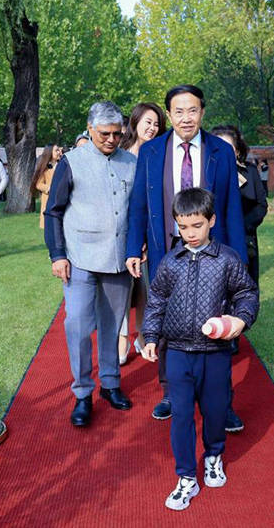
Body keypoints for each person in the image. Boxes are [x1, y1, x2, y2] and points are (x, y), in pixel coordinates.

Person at [125, 84, 247, 430]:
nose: (186, 118)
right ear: (169, 114)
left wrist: (237, 259)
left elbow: (231, 208)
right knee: (166, 320)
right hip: (166, 250)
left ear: (202, 112)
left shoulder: (221, 152)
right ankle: (171, 393)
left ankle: (221, 401)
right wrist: (133, 247)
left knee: (216, 323)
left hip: (213, 252)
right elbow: (139, 203)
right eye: (178, 111)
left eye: (192, 110)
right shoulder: (151, 151)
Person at [140, 187, 258, 511]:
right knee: (181, 415)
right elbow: (156, 301)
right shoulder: (170, 262)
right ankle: (186, 477)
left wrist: (240, 320)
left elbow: (246, 294)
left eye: (197, 225)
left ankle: (214, 456)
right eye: (183, 227)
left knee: (215, 411)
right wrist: (150, 337)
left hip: (215, 353)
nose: (190, 233)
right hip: (177, 352)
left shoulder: (228, 260)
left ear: (211, 221)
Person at [44, 101, 137, 427]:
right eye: (104, 134)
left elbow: (138, 209)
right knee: (79, 327)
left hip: (118, 260)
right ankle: (82, 392)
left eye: (117, 134)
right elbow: (53, 211)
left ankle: (110, 384)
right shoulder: (71, 161)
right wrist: (57, 255)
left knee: (113, 326)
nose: (111, 139)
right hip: (79, 259)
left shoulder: (132, 162)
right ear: (90, 129)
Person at [117, 102, 167, 366]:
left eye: (157, 124)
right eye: (148, 122)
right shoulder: (119, 154)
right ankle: (122, 337)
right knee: (122, 290)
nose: (152, 128)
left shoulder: (160, 155)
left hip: (149, 231)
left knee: (146, 289)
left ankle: (143, 334)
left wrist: (145, 238)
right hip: (118, 231)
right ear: (134, 122)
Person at [211, 125, 268, 285]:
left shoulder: (250, 171)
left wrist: (241, 226)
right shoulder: (206, 174)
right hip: (214, 240)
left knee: (245, 288)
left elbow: (261, 205)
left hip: (245, 239)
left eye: (228, 148)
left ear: (236, 151)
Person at [30, 145, 62, 230]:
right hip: (49, 201)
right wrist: (50, 188)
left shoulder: (63, 165)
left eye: (59, 150)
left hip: (62, 201)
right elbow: (38, 184)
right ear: (50, 152)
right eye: (56, 150)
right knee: (50, 229)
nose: (59, 152)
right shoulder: (44, 168)